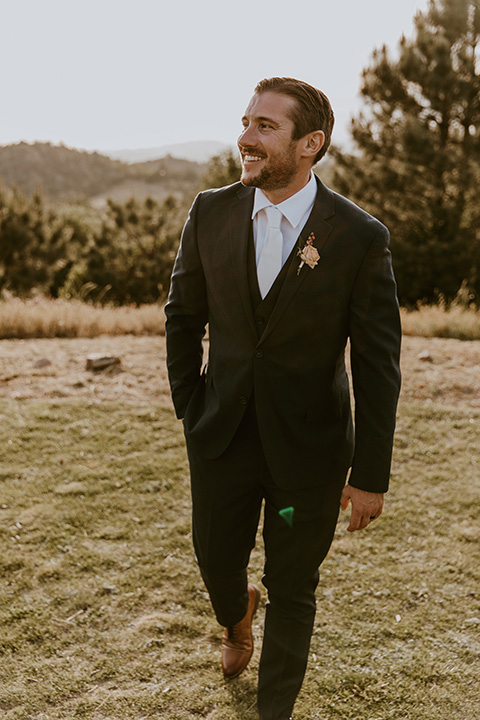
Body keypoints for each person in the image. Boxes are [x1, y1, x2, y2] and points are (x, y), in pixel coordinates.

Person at [165, 77, 401, 720]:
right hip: (221, 434)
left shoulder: (358, 237)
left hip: (309, 454)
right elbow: (182, 317)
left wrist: (370, 474)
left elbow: (378, 365)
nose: (245, 137)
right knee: (216, 560)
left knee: (294, 586)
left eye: (265, 126)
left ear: (309, 144)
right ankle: (234, 611)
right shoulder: (211, 212)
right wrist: (190, 406)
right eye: (246, 121)